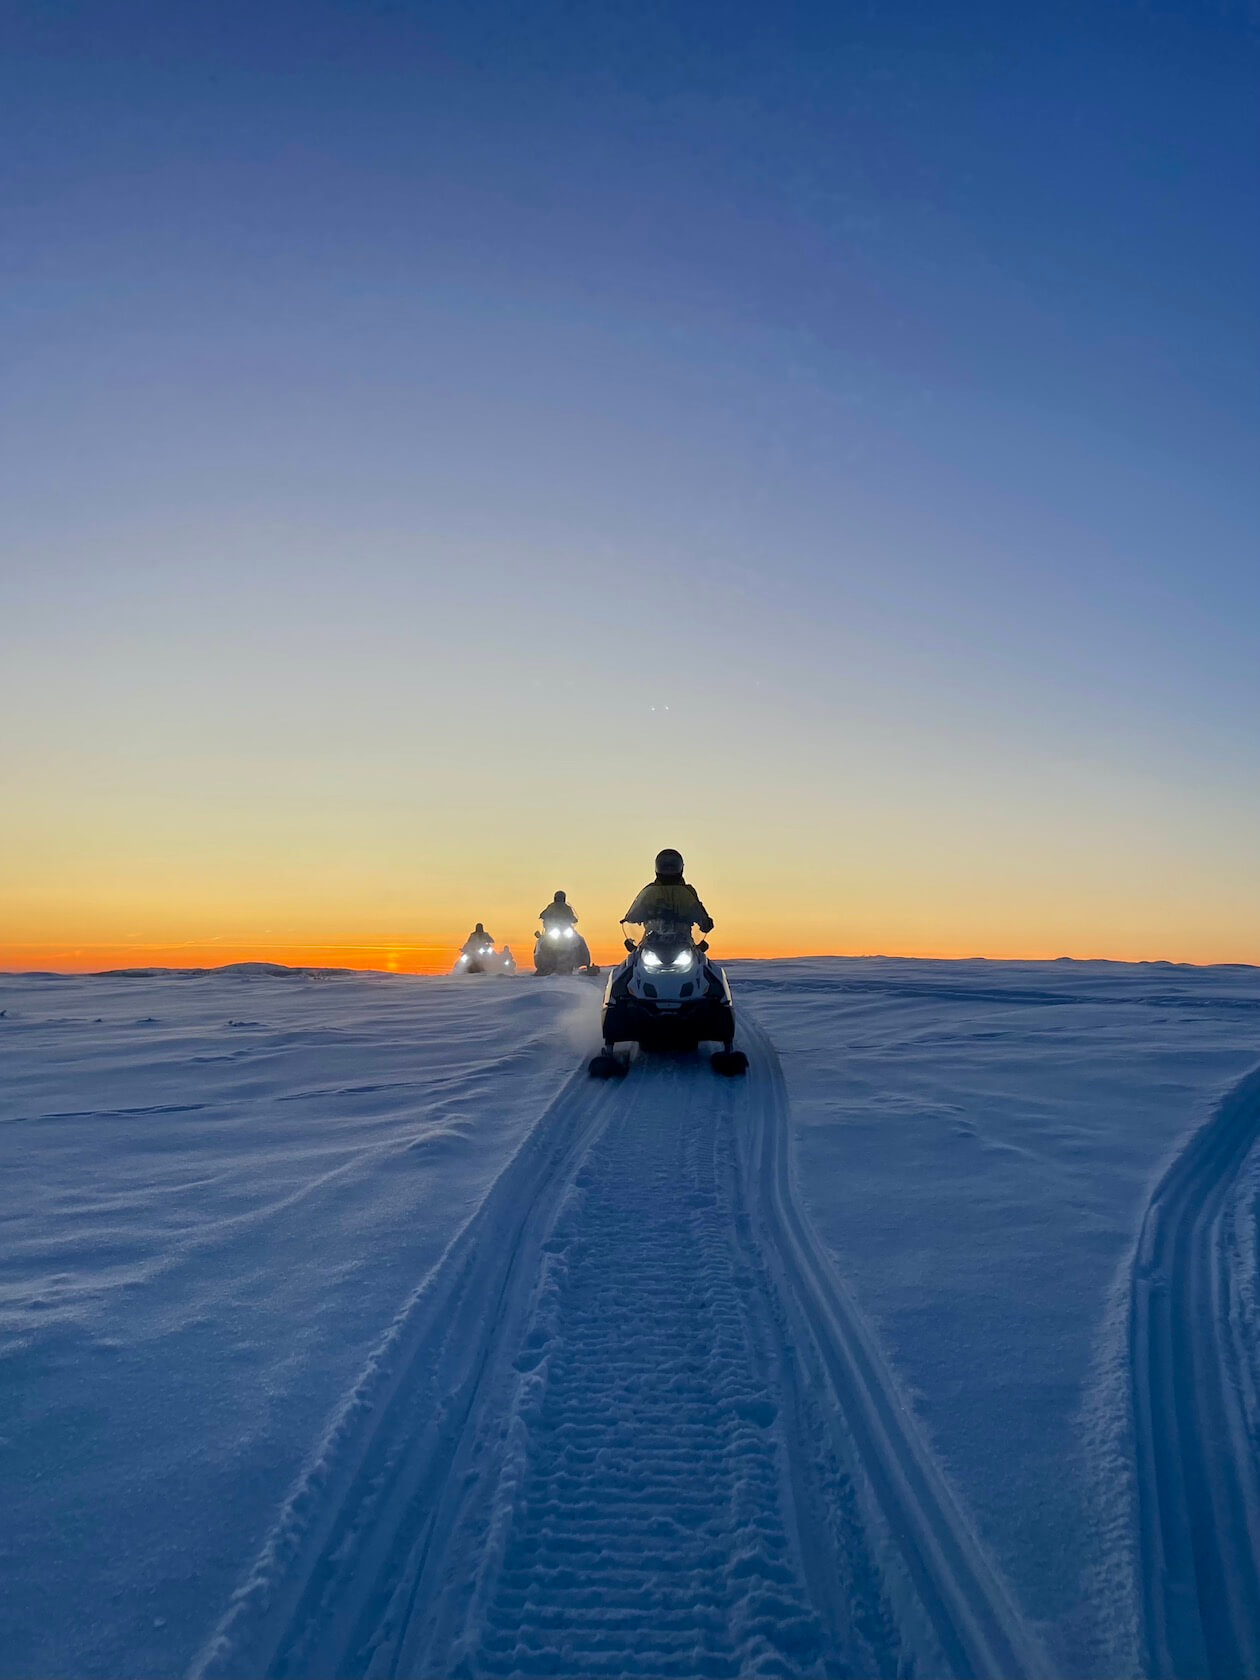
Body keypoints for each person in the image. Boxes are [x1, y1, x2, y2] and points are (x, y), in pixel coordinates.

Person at [623, 849, 714, 938]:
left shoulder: (688, 892)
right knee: (634, 953)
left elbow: (697, 909)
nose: (669, 870)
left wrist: (705, 921)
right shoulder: (650, 892)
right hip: (652, 940)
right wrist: (630, 919)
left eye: (672, 867)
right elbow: (637, 911)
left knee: (700, 953)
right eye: (665, 867)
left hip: (683, 940)